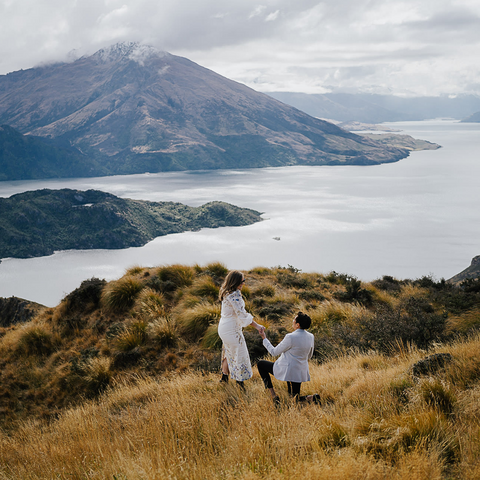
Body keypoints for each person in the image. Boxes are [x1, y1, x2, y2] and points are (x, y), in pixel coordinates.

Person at [257, 311, 320, 404]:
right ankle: (312, 398)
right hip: (300, 371)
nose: (292, 321)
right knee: (294, 398)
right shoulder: (311, 336)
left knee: (261, 364)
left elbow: (274, 352)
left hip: (288, 370)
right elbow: (309, 355)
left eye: (294, 320)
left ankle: (273, 395)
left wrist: (264, 338)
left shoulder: (290, 337)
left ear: (298, 325)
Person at [218, 270, 264, 389]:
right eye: (242, 281)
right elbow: (242, 314)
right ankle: (240, 384)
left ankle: (224, 378)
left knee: (228, 351)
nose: (244, 283)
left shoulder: (226, 292)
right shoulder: (234, 294)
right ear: (236, 281)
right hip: (231, 328)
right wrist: (257, 326)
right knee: (239, 353)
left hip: (223, 327)